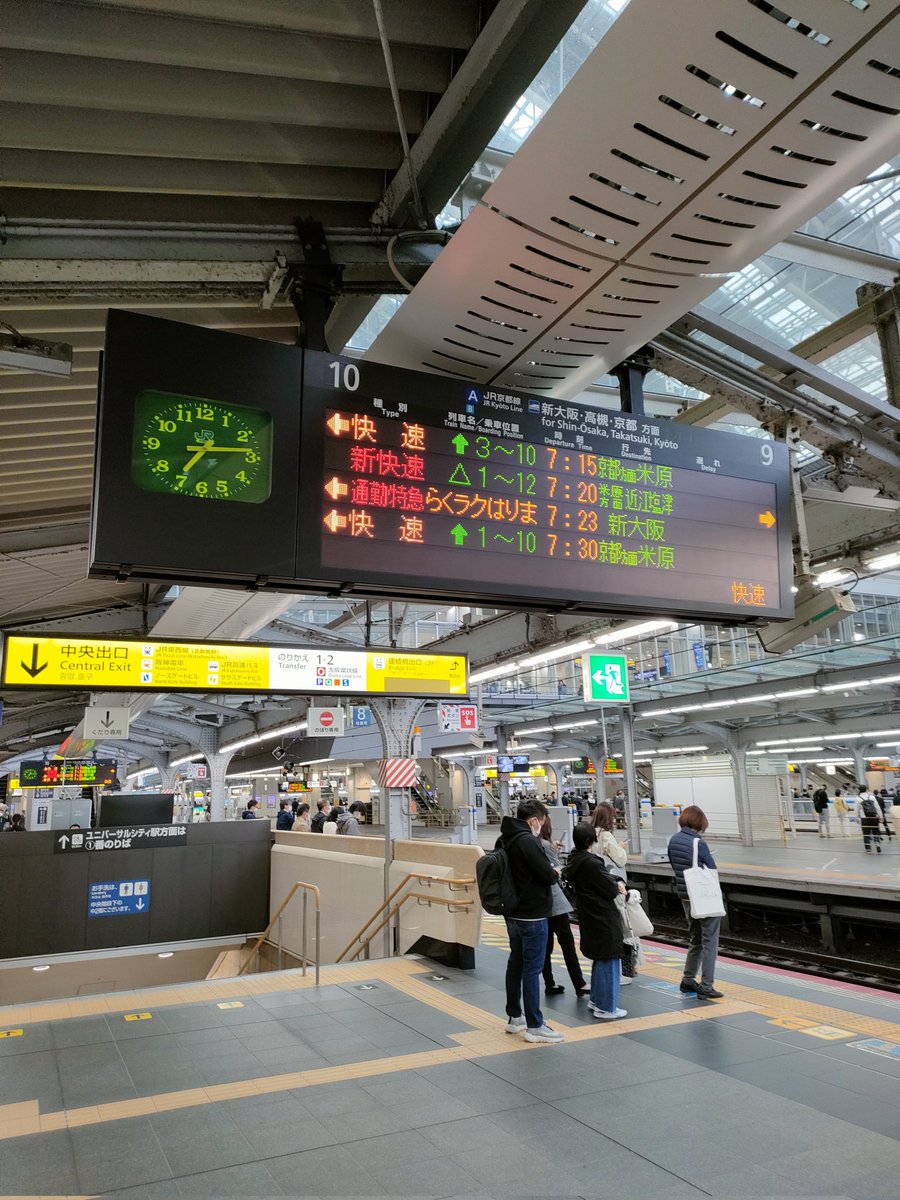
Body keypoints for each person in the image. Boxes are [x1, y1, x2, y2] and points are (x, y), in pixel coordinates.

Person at [499, 799, 565, 1044]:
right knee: (532, 969)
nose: (542, 827)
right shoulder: (528, 840)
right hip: (533, 915)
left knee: (515, 964)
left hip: (514, 914)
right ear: (534, 821)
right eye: (542, 822)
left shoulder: (506, 837)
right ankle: (535, 1025)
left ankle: (515, 1018)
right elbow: (546, 875)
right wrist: (555, 870)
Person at [563, 822, 627, 1019]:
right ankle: (607, 1007)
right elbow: (607, 888)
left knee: (600, 957)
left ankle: (596, 999)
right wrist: (617, 884)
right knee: (609, 957)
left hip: (589, 914)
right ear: (592, 839)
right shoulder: (592, 863)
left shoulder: (575, 860)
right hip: (602, 916)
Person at [667, 805, 724, 999]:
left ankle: (688, 979)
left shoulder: (673, 840)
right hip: (703, 897)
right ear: (700, 823)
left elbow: (676, 865)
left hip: (685, 896)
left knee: (696, 938)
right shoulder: (699, 843)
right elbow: (712, 868)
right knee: (710, 941)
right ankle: (707, 985)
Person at [538, 815, 588, 997]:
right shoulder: (545, 844)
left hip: (542, 904)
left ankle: (549, 983)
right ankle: (579, 983)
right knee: (567, 944)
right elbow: (556, 871)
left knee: (546, 947)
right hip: (556, 904)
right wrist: (555, 856)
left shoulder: (535, 844)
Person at [857, 784, 883, 853]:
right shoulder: (871, 797)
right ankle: (877, 845)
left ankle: (868, 849)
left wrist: (857, 817)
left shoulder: (858, 798)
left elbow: (857, 810)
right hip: (873, 817)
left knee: (866, 833)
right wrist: (880, 816)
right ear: (866, 789)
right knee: (875, 831)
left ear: (859, 790)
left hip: (864, 818)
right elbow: (877, 807)